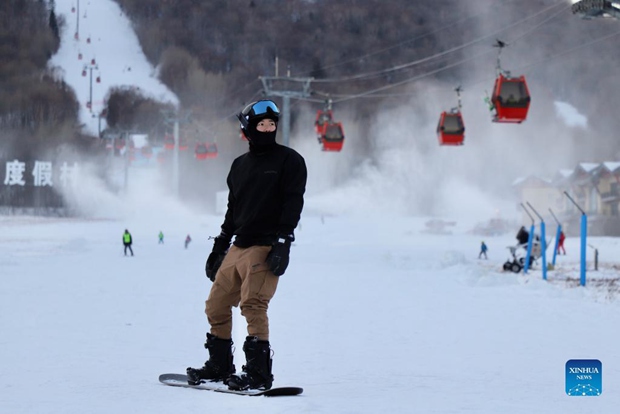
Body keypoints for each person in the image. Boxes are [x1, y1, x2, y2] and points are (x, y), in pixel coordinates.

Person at [186, 99, 307, 391]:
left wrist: (282, 242)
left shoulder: (290, 161)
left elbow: (293, 203)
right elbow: (233, 211)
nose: (267, 129)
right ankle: (219, 365)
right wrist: (220, 246)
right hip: (239, 246)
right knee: (215, 305)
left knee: (253, 305)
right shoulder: (239, 166)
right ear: (248, 130)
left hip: (265, 246)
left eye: (271, 124)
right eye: (261, 125)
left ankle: (258, 373)